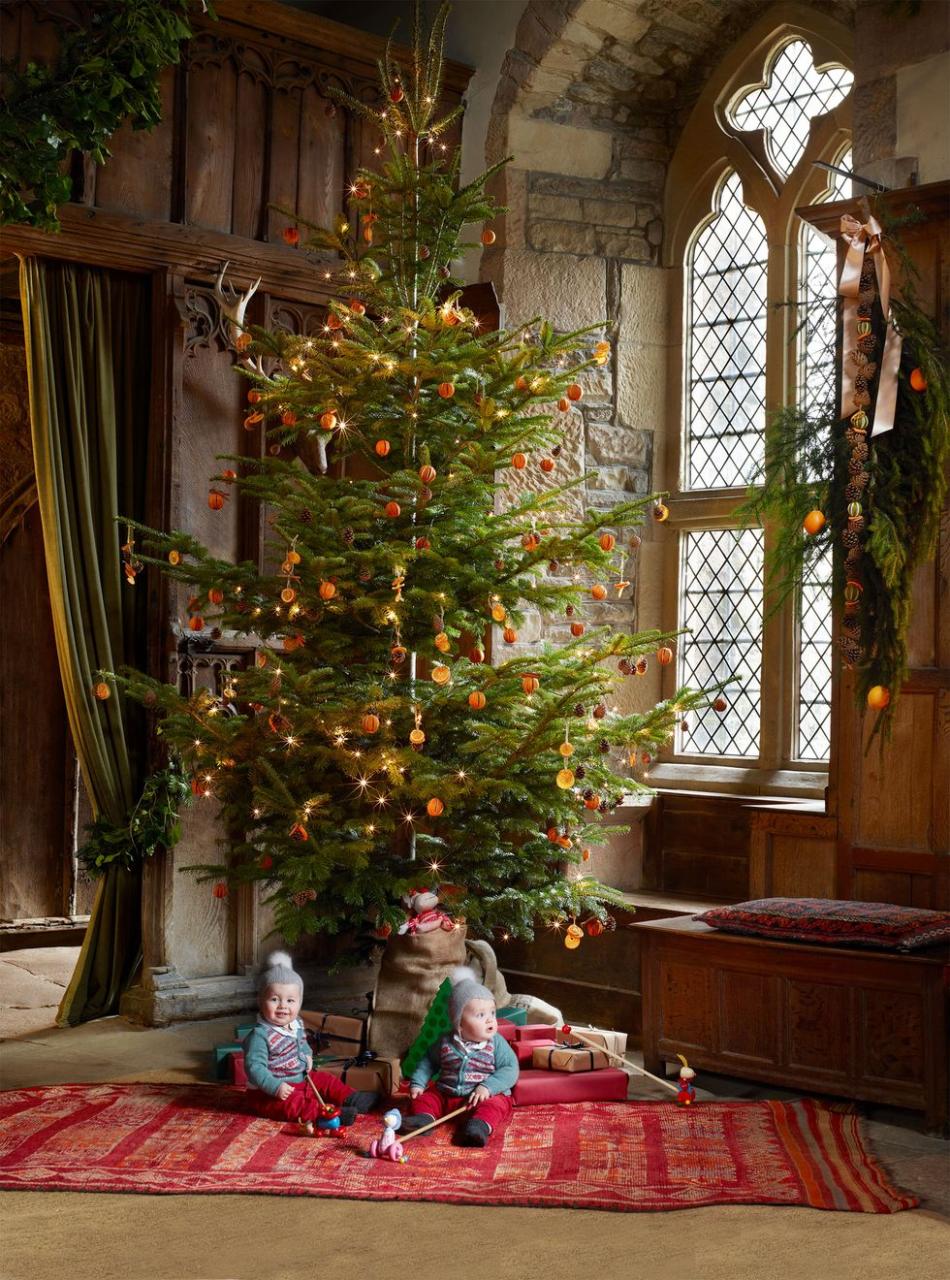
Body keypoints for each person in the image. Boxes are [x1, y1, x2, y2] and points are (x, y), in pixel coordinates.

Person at [242, 951, 378, 1127]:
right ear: (261, 1001)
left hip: (300, 1079)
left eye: (290, 1001)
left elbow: (302, 1045)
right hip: (270, 1092)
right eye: (275, 999)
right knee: (294, 1104)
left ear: (299, 1002)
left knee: (325, 1080)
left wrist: (307, 1056)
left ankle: (352, 1098)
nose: (283, 1005)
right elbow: (255, 1068)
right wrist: (275, 1087)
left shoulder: (296, 1025)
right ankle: (325, 1115)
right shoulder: (260, 1035)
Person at [404, 966, 518, 1148]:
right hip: (447, 1094)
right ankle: (423, 1119)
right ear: (460, 1024)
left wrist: (488, 1087)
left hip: (479, 1097)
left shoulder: (496, 1043)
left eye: (492, 1013)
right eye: (481, 1015)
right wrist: (418, 1082)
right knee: (427, 1098)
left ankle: (478, 1127)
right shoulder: (445, 1043)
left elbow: (510, 1068)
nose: (490, 1020)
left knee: (496, 1105)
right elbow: (428, 1063)